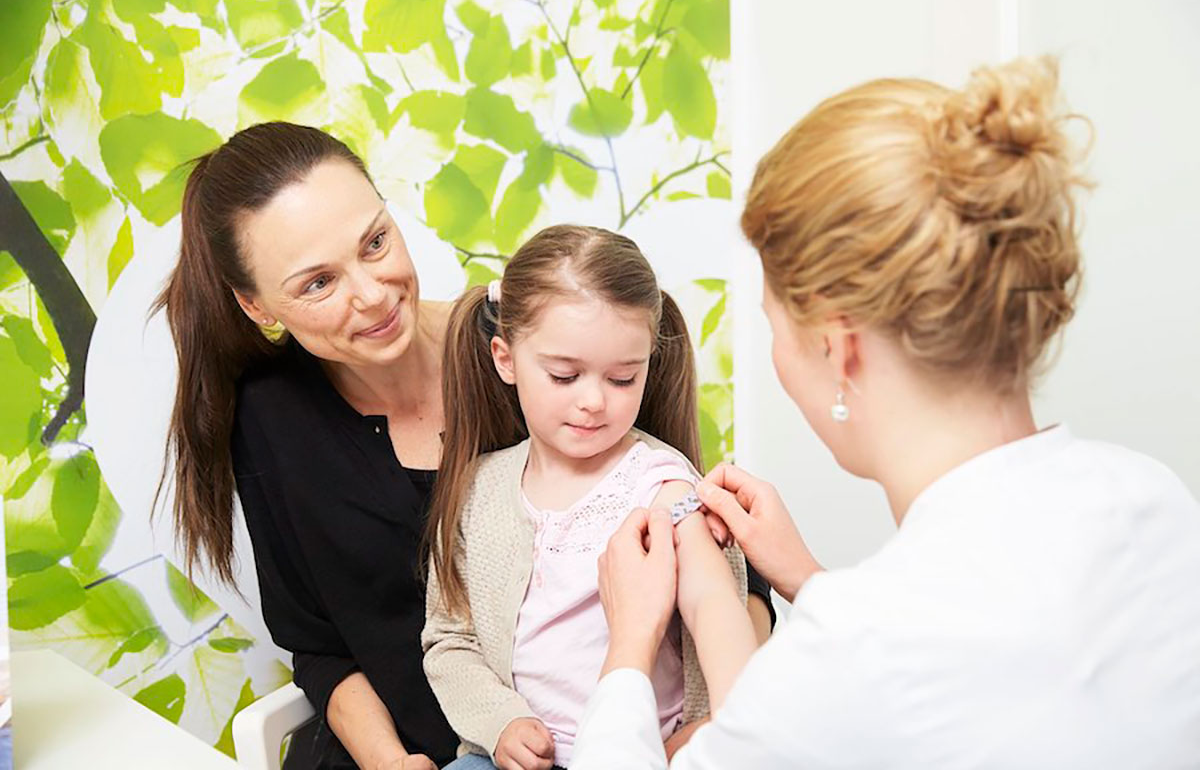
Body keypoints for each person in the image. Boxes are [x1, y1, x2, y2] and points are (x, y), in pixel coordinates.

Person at [571, 57, 1200, 768]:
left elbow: (875, 674)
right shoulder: (1152, 499)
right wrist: (808, 580)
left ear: (837, 347)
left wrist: (627, 646)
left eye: (773, 325)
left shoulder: (855, 652)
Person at [157, 122, 458, 769]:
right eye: (317, 283)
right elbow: (320, 646)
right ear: (256, 305)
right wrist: (389, 762)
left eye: (375, 243)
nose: (373, 295)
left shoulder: (521, 350)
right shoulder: (270, 420)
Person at [421, 226, 771, 770]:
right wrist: (500, 722)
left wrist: (739, 722)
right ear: (505, 358)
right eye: (564, 376)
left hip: (643, 754)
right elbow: (449, 642)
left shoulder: (660, 484)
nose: (593, 402)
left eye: (622, 379)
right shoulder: (478, 490)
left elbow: (712, 604)